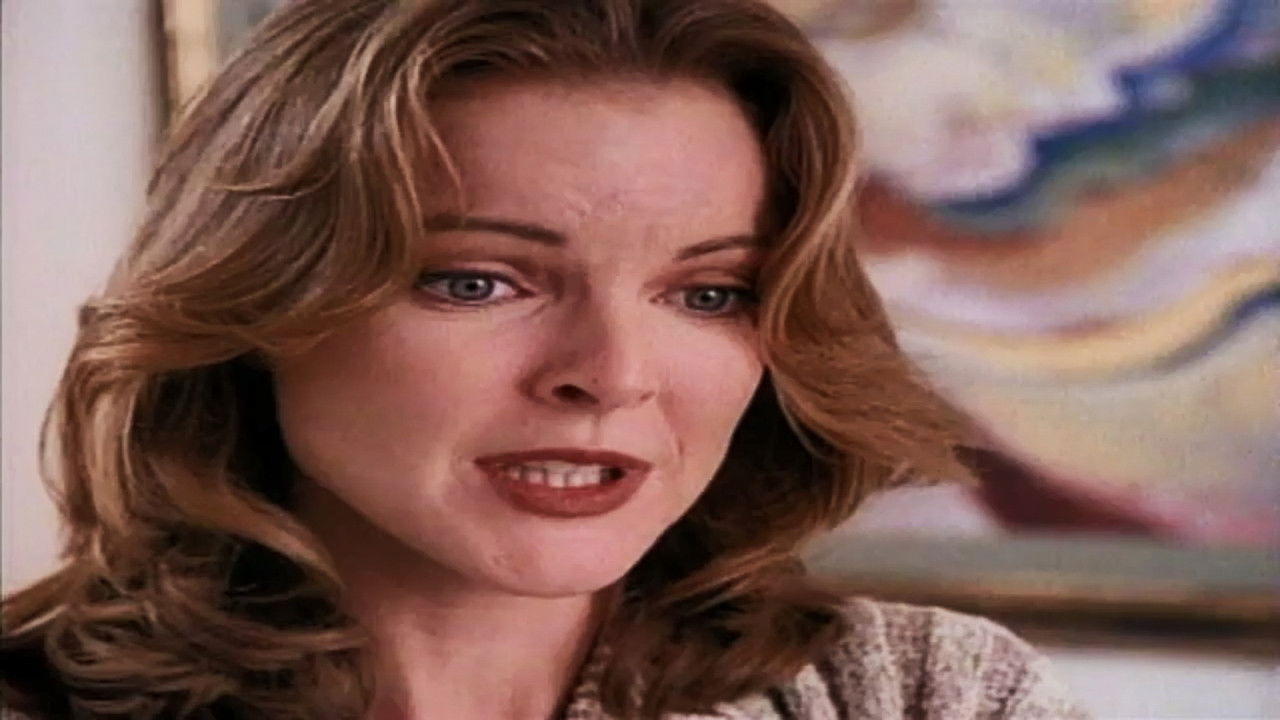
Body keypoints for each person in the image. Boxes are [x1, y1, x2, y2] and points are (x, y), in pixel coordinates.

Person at [0, 0, 1087, 718]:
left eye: (709, 294)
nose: (612, 374)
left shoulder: (925, 697)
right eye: (477, 282)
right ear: (259, 302)